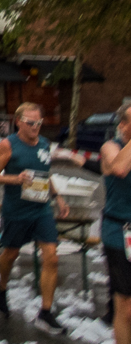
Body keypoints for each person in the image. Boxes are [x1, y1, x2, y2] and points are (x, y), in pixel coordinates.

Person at [0, 101, 69, 334]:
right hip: (16, 210)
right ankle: (1, 287)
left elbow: (45, 174)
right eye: (30, 123)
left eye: (39, 123)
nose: (35, 127)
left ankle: (46, 312)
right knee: (10, 253)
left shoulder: (44, 143)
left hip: (41, 209)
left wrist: (58, 197)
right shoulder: (7, 145)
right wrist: (15, 178)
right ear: (19, 122)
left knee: (51, 257)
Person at [101, 99, 131, 344]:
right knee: (126, 307)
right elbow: (119, 168)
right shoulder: (111, 147)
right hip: (120, 231)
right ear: (123, 125)